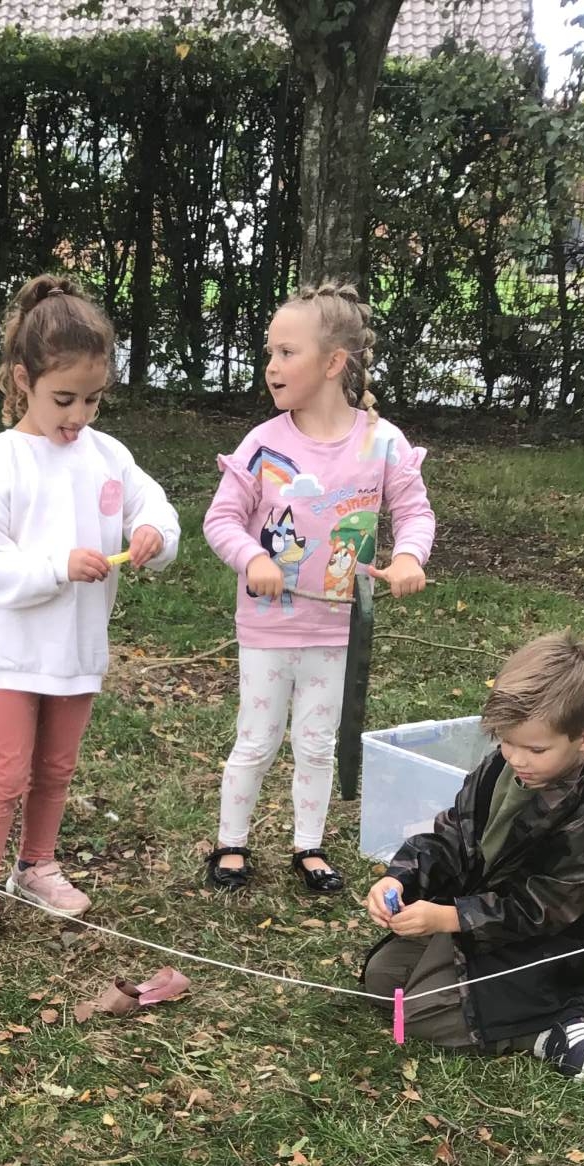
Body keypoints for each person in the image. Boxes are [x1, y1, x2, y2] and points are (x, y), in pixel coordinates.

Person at [0, 274, 180, 950]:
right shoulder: (3, 459)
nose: (79, 415)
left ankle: (36, 866)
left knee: (55, 769)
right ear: (23, 380)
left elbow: (155, 507)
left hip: (77, 650)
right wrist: (56, 566)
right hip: (15, 652)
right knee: (5, 772)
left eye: (93, 399)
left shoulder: (109, 457)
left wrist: (154, 534)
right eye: (64, 398)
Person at [202, 282, 434, 896]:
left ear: (333, 363)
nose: (272, 366)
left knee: (316, 743)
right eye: (270, 353)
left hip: (337, 628)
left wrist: (408, 557)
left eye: (287, 353)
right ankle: (231, 842)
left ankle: (308, 844)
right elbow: (221, 520)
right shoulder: (264, 444)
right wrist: (253, 557)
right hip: (268, 626)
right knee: (256, 740)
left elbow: (414, 512)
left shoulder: (381, 442)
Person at [362, 633, 584, 1082]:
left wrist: (450, 918)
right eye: (507, 742)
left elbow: (545, 908)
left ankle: (558, 1023)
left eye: (536, 749)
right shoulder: (499, 767)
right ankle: (470, 988)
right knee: (381, 981)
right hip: (475, 917)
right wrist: (401, 878)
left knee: (415, 1013)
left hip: (543, 943)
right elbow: (452, 835)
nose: (517, 759)